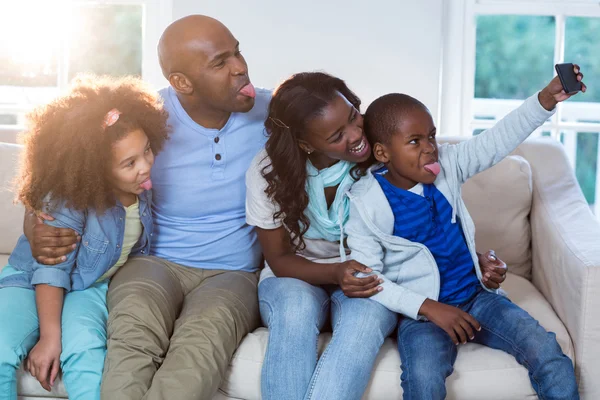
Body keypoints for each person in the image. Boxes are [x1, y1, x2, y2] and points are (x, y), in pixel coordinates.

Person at [22, 15, 271, 400]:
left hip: (233, 272)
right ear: (182, 82)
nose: (240, 66)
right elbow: (65, 176)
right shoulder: (142, 120)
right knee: (132, 342)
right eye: (220, 62)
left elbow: (348, 135)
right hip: (152, 264)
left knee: (197, 351)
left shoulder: (275, 113)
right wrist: (32, 225)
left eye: (236, 52)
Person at [245, 71, 507, 400]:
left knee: (361, 328)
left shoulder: (384, 149)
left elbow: (430, 211)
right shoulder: (267, 172)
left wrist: (471, 259)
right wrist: (336, 272)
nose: (357, 135)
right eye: (338, 135)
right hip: (295, 274)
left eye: (354, 116)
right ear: (306, 143)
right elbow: (279, 259)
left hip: (374, 275)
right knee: (294, 313)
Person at [345, 67, 586, 399]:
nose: (430, 148)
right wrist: (429, 307)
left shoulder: (449, 164)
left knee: (549, 354)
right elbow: (369, 278)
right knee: (423, 381)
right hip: (423, 316)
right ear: (383, 153)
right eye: (414, 142)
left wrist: (545, 100)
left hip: (476, 298)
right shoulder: (366, 203)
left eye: (431, 136)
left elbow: (498, 139)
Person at [0, 75, 168, 400]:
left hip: (90, 287)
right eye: (129, 163)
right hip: (30, 280)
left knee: (86, 352)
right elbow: (50, 268)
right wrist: (50, 337)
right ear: (94, 168)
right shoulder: (70, 195)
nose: (145, 167)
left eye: (147, 151)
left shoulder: (142, 192)